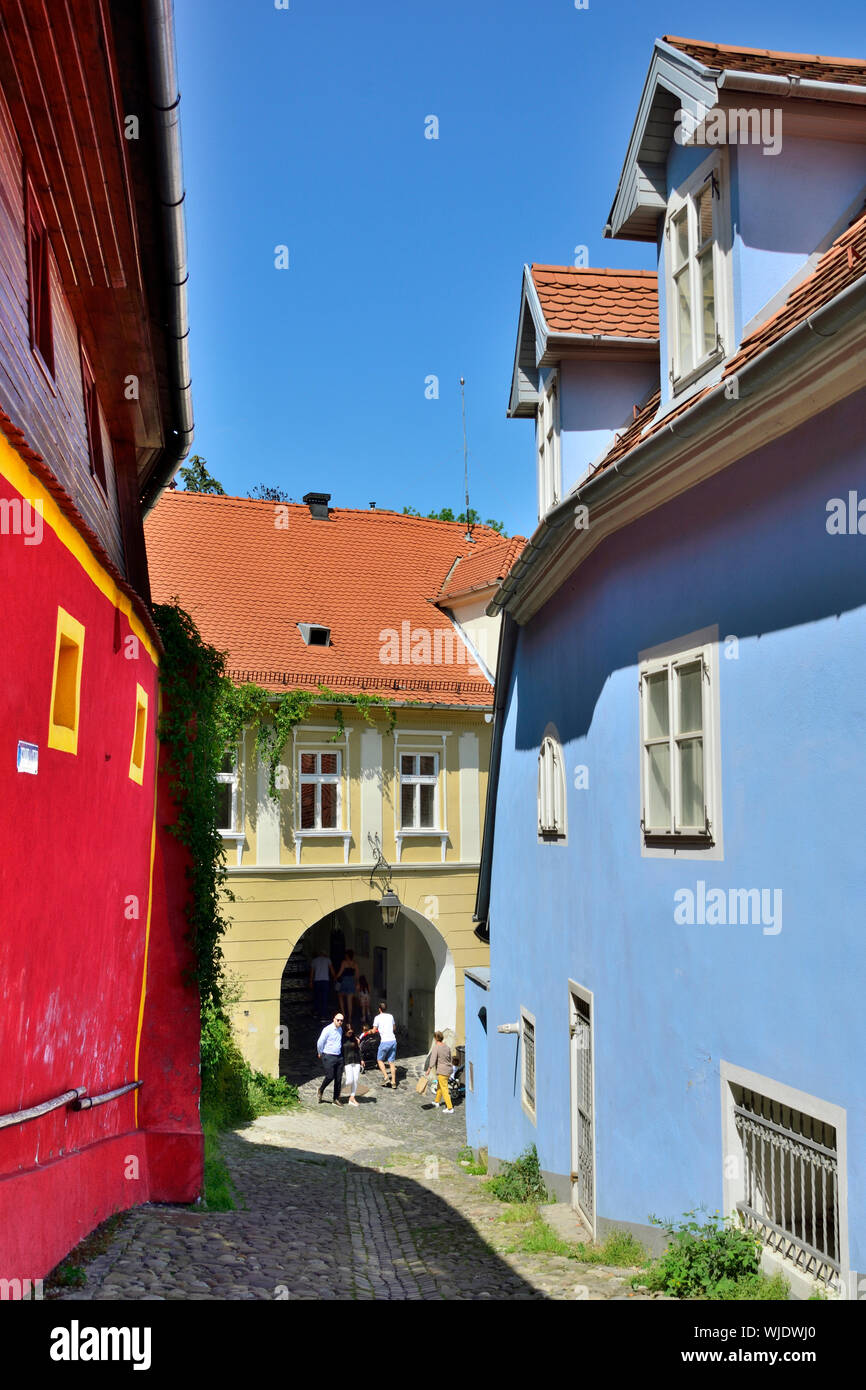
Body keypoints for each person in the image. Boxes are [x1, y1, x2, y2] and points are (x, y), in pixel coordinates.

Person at [316, 1012, 344, 1103]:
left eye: (341, 1021)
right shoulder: (327, 1029)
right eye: (338, 1020)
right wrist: (320, 1052)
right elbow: (320, 1042)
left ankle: (336, 1098)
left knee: (338, 1079)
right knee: (330, 1076)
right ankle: (321, 1089)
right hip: (328, 1055)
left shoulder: (340, 1029)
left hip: (339, 1056)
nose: (340, 1022)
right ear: (334, 1019)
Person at [425, 1030, 454, 1113]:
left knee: (444, 1089)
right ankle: (437, 1102)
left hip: (442, 1071)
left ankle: (450, 1108)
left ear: (435, 1038)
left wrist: (429, 1069)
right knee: (440, 1086)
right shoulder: (446, 1047)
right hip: (448, 1070)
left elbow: (433, 1060)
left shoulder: (436, 1047)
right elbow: (450, 1059)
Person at [375, 1000, 398, 1089]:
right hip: (393, 1040)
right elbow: (394, 1028)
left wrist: (370, 1031)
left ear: (379, 1009)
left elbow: (374, 1030)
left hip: (384, 1041)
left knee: (379, 1060)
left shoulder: (377, 1017)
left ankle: (386, 1077)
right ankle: (394, 1082)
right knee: (391, 1062)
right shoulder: (390, 1016)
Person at [309, 949, 335, 1021]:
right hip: (325, 981)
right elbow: (332, 970)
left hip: (317, 981)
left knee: (317, 997)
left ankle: (316, 1013)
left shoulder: (314, 960)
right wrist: (335, 977)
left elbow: (312, 972)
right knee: (324, 998)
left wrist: (310, 982)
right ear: (325, 954)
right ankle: (323, 1015)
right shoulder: (328, 960)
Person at [336, 948, 358, 1025]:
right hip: (351, 981)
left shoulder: (344, 962)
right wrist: (356, 983)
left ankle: (343, 1012)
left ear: (347, 955)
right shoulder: (355, 963)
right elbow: (356, 975)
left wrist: (335, 977)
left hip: (344, 981)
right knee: (350, 1001)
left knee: (340, 995)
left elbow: (340, 972)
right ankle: (350, 1018)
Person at [342, 1024, 361, 1106]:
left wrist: (362, 1059)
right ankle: (337, 1090)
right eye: (348, 1032)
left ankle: (352, 1098)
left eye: (351, 1032)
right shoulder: (341, 1039)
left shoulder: (355, 1038)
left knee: (355, 1079)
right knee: (349, 1080)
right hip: (347, 1061)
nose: (350, 1033)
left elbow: (358, 1049)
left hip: (356, 1060)